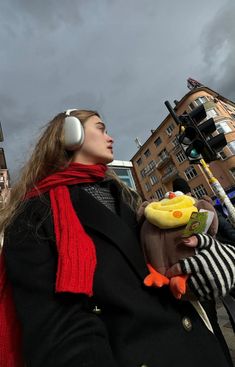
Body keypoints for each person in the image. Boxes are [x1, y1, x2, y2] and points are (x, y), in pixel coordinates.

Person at [0, 109, 235, 367]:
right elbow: (59, 332)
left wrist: (211, 258)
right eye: (100, 128)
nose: (110, 137)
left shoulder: (131, 200)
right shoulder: (35, 214)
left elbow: (170, 260)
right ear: (70, 134)